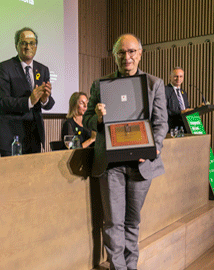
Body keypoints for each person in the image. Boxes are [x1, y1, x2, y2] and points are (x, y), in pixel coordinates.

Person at [83, 34, 168, 270]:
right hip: (111, 165)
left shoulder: (154, 84)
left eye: (131, 51)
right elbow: (87, 120)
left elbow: (161, 123)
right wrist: (98, 119)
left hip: (142, 163)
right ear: (114, 56)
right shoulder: (100, 85)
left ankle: (132, 266)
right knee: (113, 223)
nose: (126, 57)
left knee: (132, 221)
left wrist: (154, 147)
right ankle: (118, 268)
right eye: (121, 52)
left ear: (140, 54)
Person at [0, 27, 55, 156]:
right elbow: (1, 102)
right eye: (23, 43)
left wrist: (45, 100)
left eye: (32, 43)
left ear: (36, 46)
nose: (28, 47)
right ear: (16, 45)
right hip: (12, 138)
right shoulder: (4, 68)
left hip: (34, 138)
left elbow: (48, 103)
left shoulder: (43, 69)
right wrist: (29, 101)